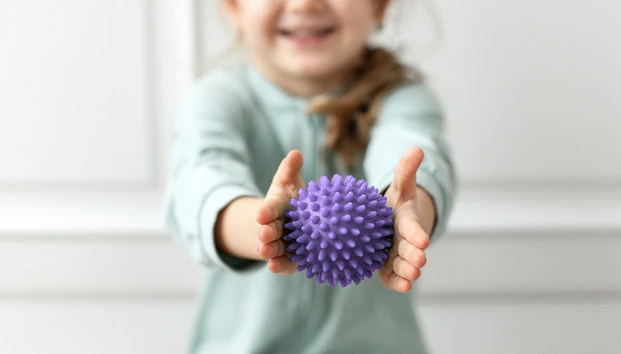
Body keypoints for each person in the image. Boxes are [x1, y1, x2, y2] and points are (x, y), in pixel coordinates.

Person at [163, 0, 457, 353]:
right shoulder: (215, 99)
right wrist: (268, 227)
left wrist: (406, 213)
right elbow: (199, 180)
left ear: (379, 7)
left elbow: (417, 159)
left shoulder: (404, 100)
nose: (305, 4)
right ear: (234, 7)